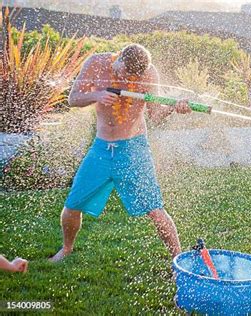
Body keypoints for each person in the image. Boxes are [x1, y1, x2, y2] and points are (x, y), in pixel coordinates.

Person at [49, 44, 192, 262]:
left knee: (155, 209)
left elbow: (155, 114)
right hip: (101, 149)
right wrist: (97, 95)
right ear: (119, 58)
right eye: (122, 72)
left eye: (131, 76)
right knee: (72, 205)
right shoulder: (96, 63)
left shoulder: (149, 73)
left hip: (134, 149)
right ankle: (66, 249)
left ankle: (178, 261)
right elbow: (73, 98)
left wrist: (174, 107)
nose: (125, 79)